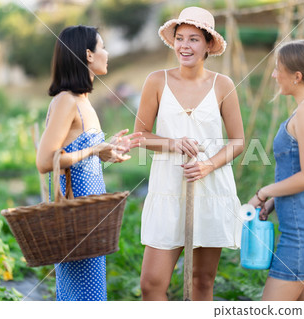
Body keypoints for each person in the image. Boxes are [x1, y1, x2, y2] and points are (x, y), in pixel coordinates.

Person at [134, 7, 245, 301]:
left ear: (208, 44)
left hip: (211, 190)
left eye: (194, 39)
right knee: (151, 284)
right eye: (179, 38)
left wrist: (208, 165)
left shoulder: (223, 85)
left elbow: (238, 141)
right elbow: (141, 135)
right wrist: (172, 143)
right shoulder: (157, 81)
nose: (184, 46)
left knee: (202, 282)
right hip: (168, 189)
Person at [36, 25, 142, 301]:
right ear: (88, 55)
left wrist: (104, 152)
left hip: (90, 215)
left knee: (88, 296)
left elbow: (76, 151)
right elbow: (46, 160)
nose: (107, 53)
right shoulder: (66, 101)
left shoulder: (83, 100)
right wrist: (95, 148)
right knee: (83, 298)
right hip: (74, 217)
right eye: (103, 46)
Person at [248, 39, 304, 301]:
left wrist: (263, 192)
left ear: (297, 76)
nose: (275, 75)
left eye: (278, 69)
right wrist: (275, 201)